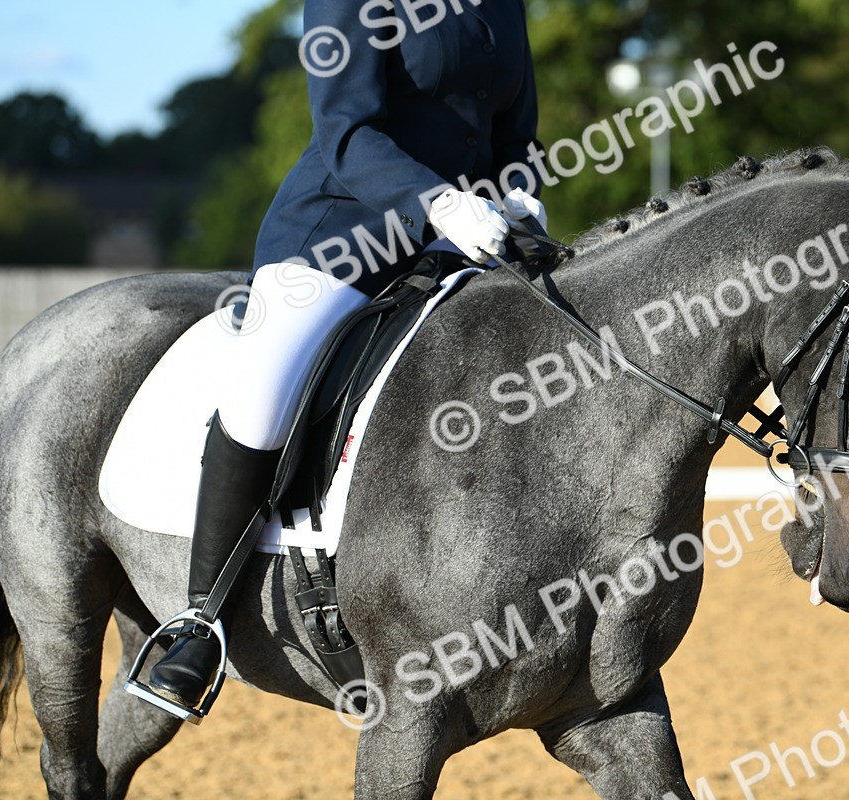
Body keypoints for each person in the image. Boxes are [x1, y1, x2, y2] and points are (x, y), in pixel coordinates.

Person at [138, 0, 547, 714]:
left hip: (465, 241)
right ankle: (200, 620)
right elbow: (346, 131)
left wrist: (518, 194)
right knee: (264, 391)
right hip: (344, 233)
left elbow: (514, 133)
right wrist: (440, 201)